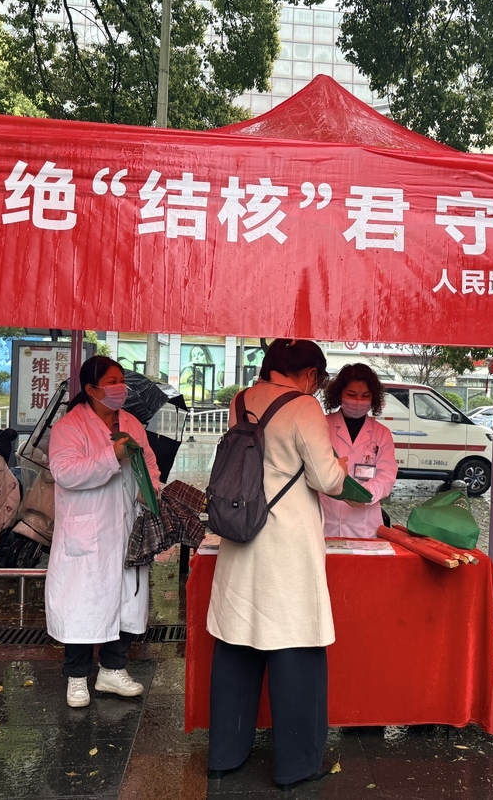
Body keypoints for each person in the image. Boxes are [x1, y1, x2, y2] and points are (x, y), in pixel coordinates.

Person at [206, 339, 347, 791]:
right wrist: (342, 465)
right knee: (296, 647)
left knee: (237, 640)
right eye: (318, 378)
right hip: (285, 544)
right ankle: (295, 766)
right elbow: (326, 478)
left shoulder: (241, 400)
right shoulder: (303, 407)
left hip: (241, 532)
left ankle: (225, 754)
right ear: (309, 374)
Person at [46, 355, 161, 709]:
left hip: (126, 527)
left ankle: (113, 669)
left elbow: (149, 462)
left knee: (126, 601)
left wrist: (150, 487)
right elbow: (65, 472)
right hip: (88, 531)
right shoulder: (69, 426)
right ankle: (77, 677)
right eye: (112, 382)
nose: (119, 388)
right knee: (82, 603)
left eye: (121, 380)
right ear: (92, 388)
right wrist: (112, 455)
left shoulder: (131, 423)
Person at [319, 364, 398, 539]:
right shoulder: (321, 425)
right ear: (339, 394)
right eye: (352, 395)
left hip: (364, 526)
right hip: (326, 520)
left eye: (365, 396)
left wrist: (365, 494)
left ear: (373, 397)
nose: (358, 401)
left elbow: (387, 475)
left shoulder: (381, 433)